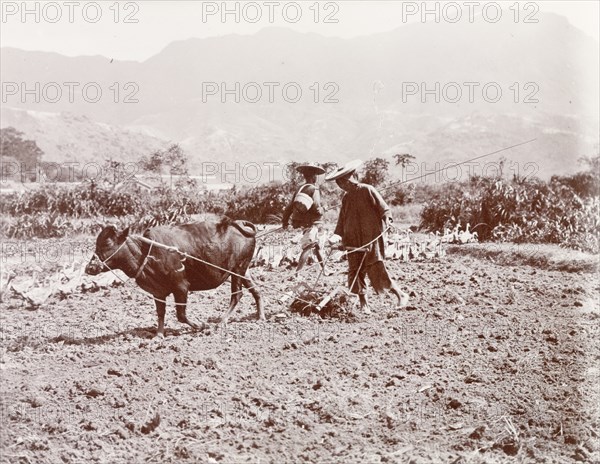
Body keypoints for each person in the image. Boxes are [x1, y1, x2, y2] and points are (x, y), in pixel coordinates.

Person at [325, 159, 409, 313]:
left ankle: (400, 294)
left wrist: (388, 220)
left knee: (376, 268)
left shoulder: (367, 190)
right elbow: (341, 221)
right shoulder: (346, 198)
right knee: (354, 271)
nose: (343, 185)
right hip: (352, 240)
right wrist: (336, 236)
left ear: (352, 177)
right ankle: (364, 304)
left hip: (370, 239)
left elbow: (384, 209)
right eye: (340, 183)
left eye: (344, 181)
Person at [282, 163, 329, 276]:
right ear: (314, 176)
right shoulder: (313, 189)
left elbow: (289, 206)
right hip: (312, 224)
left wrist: (285, 221)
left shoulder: (300, 189)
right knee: (308, 247)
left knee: (316, 247)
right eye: (316, 175)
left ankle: (325, 270)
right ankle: (297, 273)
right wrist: (324, 208)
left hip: (304, 223)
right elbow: (317, 210)